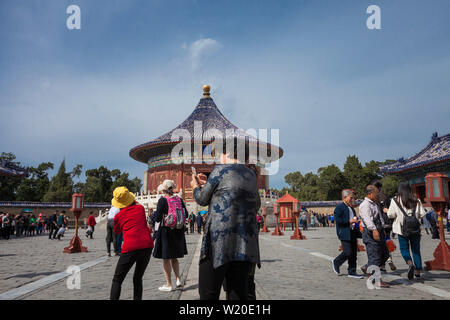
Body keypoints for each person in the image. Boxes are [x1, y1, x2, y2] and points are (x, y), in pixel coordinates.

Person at [192, 140, 260, 300]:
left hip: (218, 242)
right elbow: (256, 204)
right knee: (237, 293)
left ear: (227, 153)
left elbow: (202, 199)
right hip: (245, 245)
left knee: (208, 292)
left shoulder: (219, 170)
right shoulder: (251, 175)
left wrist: (195, 186)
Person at [110, 186, 154, 300]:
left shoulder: (118, 216)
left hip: (130, 247)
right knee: (138, 277)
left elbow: (117, 231)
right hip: (147, 246)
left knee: (117, 279)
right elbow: (136, 204)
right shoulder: (140, 208)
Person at [152, 180, 188, 292]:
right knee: (174, 257)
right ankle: (178, 280)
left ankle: (168, 284)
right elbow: (185, 214)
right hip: (178, 231)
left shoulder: (163, 200)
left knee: (166, 258)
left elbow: (157, 218)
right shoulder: (179, 199)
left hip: (166, 232)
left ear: (163, 190)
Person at [387, 182, 426, 280]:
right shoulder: (416, 200)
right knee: (416, 250)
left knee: (404, 249)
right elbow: (422, 214)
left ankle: (409, 263)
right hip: (415, 229)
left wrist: (386, 211)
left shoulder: (395, 200)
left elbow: (390, 214)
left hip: (402, 229)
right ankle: (417, 272)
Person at [359, 185, 390, 288]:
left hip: (379, 230)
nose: (378, 195)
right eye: (376, 193)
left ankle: (367, 267)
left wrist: (383, 228)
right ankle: (376, 280)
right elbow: (367, 219)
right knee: (375, 256)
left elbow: (380, 216)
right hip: (370, 232)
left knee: (384, 254)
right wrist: (374, 230)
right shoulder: (365, 205)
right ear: (370, 194)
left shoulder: (375, 204)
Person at [332, 190, 363, 278]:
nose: (352, 199)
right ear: (345, 197)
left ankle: (352, 271)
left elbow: (353, 219)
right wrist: (350, 221)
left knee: (354, 253)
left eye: (353, 198)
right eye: (351, 197)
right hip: (344, 232)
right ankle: (336, 262)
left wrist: (356, 222)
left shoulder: (352, 208)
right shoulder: (339, 207)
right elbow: (338, 221)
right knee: (347, 252)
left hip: (353, 232)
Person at [373, 180, 397, 272]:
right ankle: (388, 257)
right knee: (386, 240)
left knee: (379, 244)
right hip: (388, 223)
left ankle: (382, 264)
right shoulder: (387, 198)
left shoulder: (374, 197)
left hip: (379, 223)